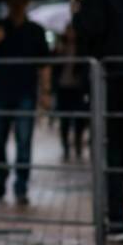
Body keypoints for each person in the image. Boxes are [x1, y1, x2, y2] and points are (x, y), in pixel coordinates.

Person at [76, 0, 123, 242]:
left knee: (112, 149)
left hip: (111, 81)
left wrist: (78, 16)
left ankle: (118, 222)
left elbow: (91, 31)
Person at [0, 0, 51, 206]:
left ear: (27, 2)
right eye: (12, 0)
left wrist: (45, 93)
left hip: (25, 94)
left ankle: (21, 186)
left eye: (20, 0)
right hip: (0, 94)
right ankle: (2, 176)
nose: (16, 4)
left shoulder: (36, 31)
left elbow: (44, 64)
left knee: (24, 143)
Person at [53, 22, 88, 162]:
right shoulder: (60, 48)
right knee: (64, 121)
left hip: (77, 89)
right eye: (68, 30)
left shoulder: (82, 48)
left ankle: (78, 145)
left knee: (79, 120)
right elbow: (54, 67)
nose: (70, 33)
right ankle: (65, 147)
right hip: (63, 88)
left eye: (72, 30)